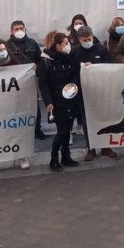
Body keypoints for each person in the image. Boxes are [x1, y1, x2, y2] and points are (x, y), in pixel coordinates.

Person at [0, 40, 33, 173]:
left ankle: (21, 157)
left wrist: (30, 71)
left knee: (16, 132)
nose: (3, 52)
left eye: (4, 49)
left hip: (13, 105)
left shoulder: (15, 64)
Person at [37, 32, 84, 171]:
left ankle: (66, 156)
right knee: (61, 131)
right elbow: (43, 84)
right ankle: (53, 159)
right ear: (57, 46)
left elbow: (76, 74)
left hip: (70, 98)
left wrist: (73, 86)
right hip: (56, 102)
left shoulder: (69, 59)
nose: (68, 46)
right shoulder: (46, 61)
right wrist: (48, 102)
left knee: (68, 129)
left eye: (68, 43)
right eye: (65, 43)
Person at [73, 26, 116, 161]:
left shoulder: (101, 49)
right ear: (79, 39)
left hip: (101, 90)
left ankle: (106, 147)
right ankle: (91, 148)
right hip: (84, 91)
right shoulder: (75, 52)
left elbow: (109, 68)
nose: (87, 41)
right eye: (84, 40)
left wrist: (95, 68)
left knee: (104, 118)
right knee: (87, 120)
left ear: (93, 36)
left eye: (89, 39)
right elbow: (72, 72)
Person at [8, 20, 46, 139]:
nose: (19, 31)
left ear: (25, 29)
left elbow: (39, 60)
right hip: (14, 82)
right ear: (11, 31)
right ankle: (19, 131)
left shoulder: (32, 43)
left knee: (34, 105)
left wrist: (37, 68)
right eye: (16, 29)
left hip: (30, 80)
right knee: (16, 106)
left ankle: (36, 130)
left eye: (21, 28)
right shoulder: (7, 45)